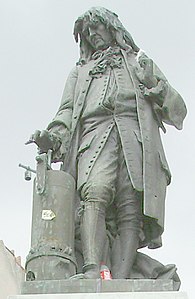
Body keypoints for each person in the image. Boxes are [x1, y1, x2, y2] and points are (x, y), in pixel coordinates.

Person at [30, 7, 187, 279]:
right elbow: (66, 112)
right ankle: (92, 269)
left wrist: (157, 85)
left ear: (113, 28)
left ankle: (122, 278)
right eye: (88, 32)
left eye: (97, 28)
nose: (93, 35)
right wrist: (53, 137)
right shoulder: (80, 73)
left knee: (130, 208)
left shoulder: (139, 63)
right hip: (94, 136)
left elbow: (178, 111)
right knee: (94, 193)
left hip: (135, 139)